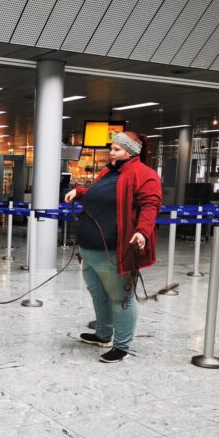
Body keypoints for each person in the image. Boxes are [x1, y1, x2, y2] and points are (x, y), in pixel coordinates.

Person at [64, 131, 162, 363]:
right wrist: (80, 192)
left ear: (130, 152)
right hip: (90, 250)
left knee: (120, 298)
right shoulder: (109, 172)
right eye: (112, 148)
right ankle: (103, 334)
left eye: (117, 149)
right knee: (98, 294)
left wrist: (142, 231)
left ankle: (121, 346)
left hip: (114, 251)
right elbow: (100, 195)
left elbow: (150, 205)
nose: (112, 152)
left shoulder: (144, 174)